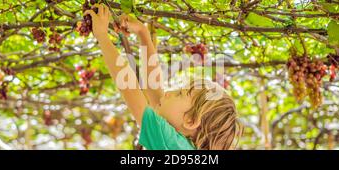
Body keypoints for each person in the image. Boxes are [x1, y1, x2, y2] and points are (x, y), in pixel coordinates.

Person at [84, 4, 242, 150]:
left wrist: (103, 37)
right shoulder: (178, 143)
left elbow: (130, 90)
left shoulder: (173, 145)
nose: (170, 91)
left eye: (180, 93)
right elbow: (155, 92)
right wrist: (143, 33)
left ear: (190, 121)